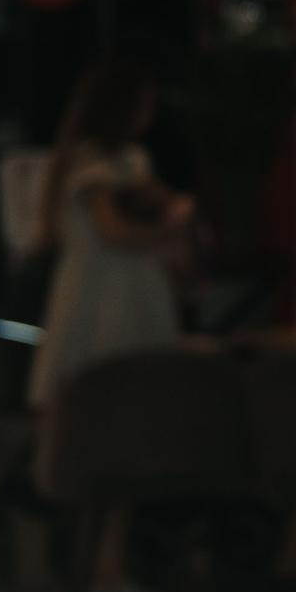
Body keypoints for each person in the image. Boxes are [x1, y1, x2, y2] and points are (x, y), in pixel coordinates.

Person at [30, 59, 191, 410]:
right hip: (101, 284)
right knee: (101, 380)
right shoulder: (90, 164)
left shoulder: (131, 159)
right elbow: (113, 232)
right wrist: (168, 226)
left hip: (129, 281)